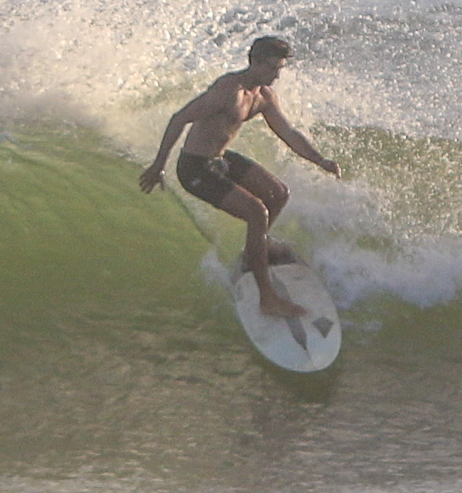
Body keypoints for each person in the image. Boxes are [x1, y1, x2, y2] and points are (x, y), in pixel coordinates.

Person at [139, 36, 341, 319]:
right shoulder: (227, 90)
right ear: (254, 62)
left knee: (278, 194)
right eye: (272, 68)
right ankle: (267, 298)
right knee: (257, 212)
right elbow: (179, 118)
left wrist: (320, 160)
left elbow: (289, 133)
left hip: (221, 159)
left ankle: (257, 249)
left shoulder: (264, 96)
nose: (276, 75)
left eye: (280, 69)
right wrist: (158, 165)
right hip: (196, 167)